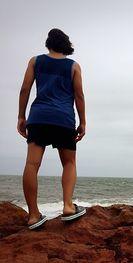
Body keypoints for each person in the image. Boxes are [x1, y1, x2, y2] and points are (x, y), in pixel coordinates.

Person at [17, 28, 86, 230]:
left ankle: (33, 215)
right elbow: (79, 95)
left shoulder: (35, 61)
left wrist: (21, 116)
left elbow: (24, 89)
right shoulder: (73, 66)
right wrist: (83, 122)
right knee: (69, 163)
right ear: (66, 45)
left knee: (32, 164)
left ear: (48, 44)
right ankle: (67, 206)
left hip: (38, 117)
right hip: (63, 119)